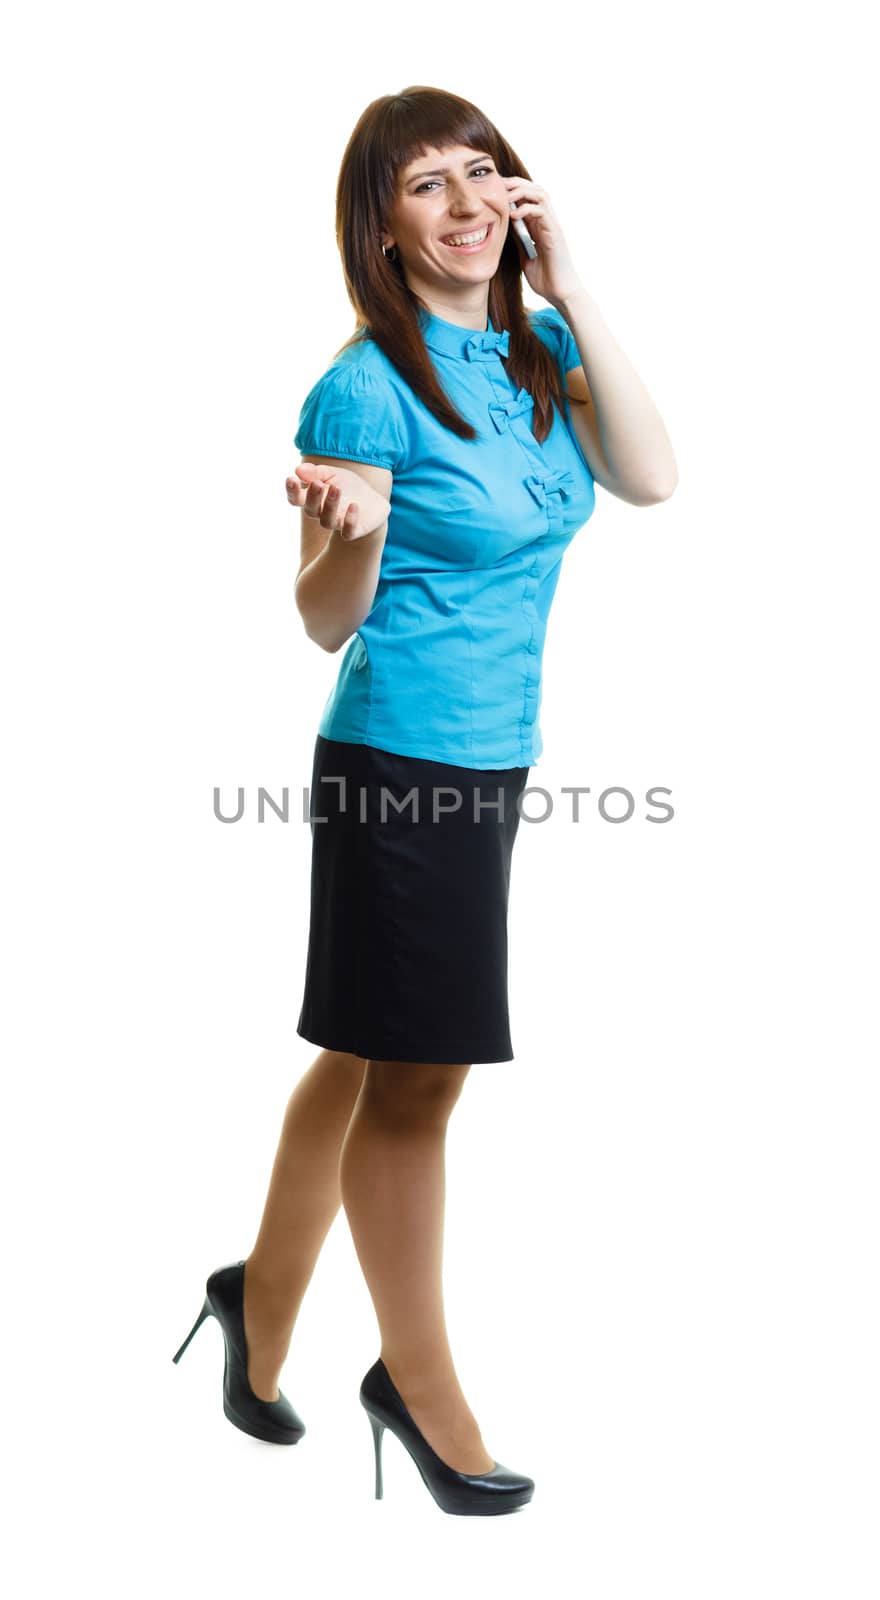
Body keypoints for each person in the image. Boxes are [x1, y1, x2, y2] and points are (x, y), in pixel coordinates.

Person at [173, 85, 677, 1516]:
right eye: (423, 190)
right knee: (421, 1077)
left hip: (496, 753)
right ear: (382, 234)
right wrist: (352, 539)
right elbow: (328, 622)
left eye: (483, 176)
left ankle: (255, 1303)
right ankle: (421, 1387)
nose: (464, 207)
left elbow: (649, 476)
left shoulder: (543, 345)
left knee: (371, 1040)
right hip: (399, 766)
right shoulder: (363, 388)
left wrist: (572, 287)